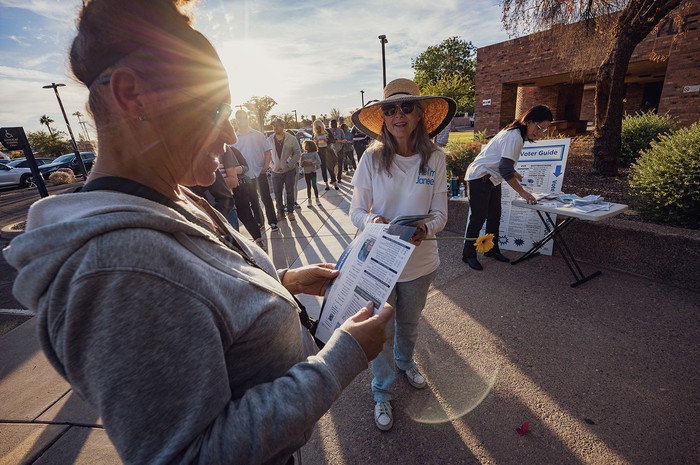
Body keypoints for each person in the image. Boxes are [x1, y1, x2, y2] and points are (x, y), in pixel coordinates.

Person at [2, 1, 394, 463]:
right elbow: (189, 455)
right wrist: (342, 359)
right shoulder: (120, 268)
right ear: (132, 95)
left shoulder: (170, 195)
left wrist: (281, 281)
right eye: (214, 109)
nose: (230, 133)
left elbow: (204, 292)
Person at [349, 77, 456, 431]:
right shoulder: (371, 158)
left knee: (408, 326)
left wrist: (425, 229)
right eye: (390, 109)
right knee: (380, 331)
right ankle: (382, 390)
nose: (398, 115)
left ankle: (406, 362)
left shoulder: (435, 158)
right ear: (382, 116)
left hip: (421, 264)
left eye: (406, 107)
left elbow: (441, 215)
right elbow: (356, 212)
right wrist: (373, 221)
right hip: (379, 263)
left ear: (419, 113)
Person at [461, 104, 553, 271]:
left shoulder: (517, 133)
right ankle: (468, 254)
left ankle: (491, 249)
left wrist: (515, 173)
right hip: (480, 177)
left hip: (491, 178)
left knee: (495, 215)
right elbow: (504, 168)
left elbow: (503, 162)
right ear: (529, 121)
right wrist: (523, 192)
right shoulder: (515, 136)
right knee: (478, 218)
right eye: (539, 127)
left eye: (544, 130)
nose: (539, 133)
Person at [234, 109, 279, 232]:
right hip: (246, 176)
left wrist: (265, 167)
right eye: (239, 118)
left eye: (243, 117)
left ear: (247, 118)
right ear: (236, 120)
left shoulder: (258, 135)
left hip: (260, 172)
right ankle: (260, 222)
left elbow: (267, 152)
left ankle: (273, 222)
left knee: (266, 198)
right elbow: (232, 158)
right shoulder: (234, 139)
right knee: (253, 200)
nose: (241, 120)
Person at [221, 144, 266, 250]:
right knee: (228, 219)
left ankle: (258, 240)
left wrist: (232, 170)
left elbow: (245, 166)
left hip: (238, 187)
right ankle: (236, 247)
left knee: (245, 214)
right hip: (221, 192)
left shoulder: (231, 150)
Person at [268, 118, 302, 222]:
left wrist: (290, 164)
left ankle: (290, 212)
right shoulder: (269, 139)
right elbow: (266, 154)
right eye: (273, 126)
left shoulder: (291, 138)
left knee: (289, 192)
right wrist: (272, 165)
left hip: (289, 170)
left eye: (277, 125)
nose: (275, 128)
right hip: (275, 171)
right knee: (277, 193)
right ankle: (280, 213)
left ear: (283, 126)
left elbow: (297, 153)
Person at [312, 119, 338, 190]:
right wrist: (315, 142)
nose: (318, 128)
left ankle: (334, 182)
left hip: (328, 151)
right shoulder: (314, 134)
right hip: (320, 152)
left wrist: (327, 140)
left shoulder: (327, 131)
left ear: (321, 126)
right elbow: (313, 145)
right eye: (316, 127)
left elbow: (333, 140)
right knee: (323, 169)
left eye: (319, 127)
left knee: (330, 168)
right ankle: (326, 184)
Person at [301, 140, 322, 207]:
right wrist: (303, 163)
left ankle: (317, 199)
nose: (305, 146)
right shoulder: (303, 155)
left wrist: (311, 163)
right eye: (305, 145)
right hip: (306, 173)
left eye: (307, 145)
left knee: (314, 185)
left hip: (313, 172)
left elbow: (319, 161)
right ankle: (309, 200)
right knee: (308, 186)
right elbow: (300, 165)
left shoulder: (315, 153)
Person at [329, 119, 346, 184]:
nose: (334, 126)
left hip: (340, 149)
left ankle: (339, 178)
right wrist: (334, 141)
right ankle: (332, 178)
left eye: (335, 124)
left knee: (340, 164)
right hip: (331, 150)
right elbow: (328, 140)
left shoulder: (340, 130)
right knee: (332, 165)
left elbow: (344, 140)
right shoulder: (328, 131)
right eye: (332, 124)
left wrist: (340, 141)